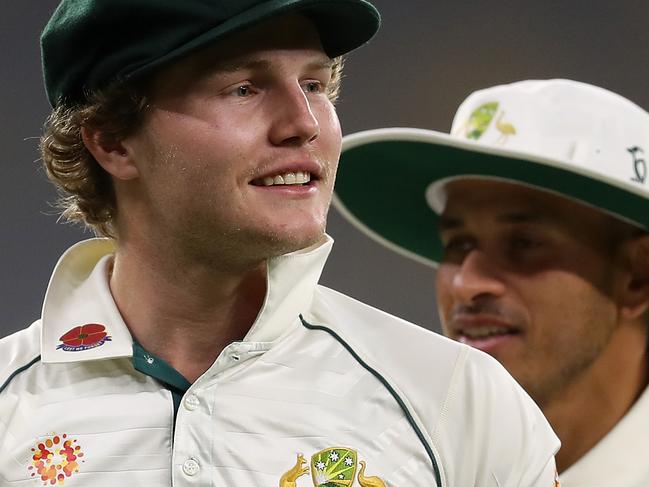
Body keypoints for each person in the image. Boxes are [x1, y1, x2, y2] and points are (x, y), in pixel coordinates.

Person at [0, 2, 560, 486]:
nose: (304, 122)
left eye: (316, 85)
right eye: (243, 88)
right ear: (113, 141)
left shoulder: (457, 402)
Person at [334, 78, 649, 486]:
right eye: (458, 243)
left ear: (637, 275)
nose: (467, 283)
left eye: (525, 242)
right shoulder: (383, 463)